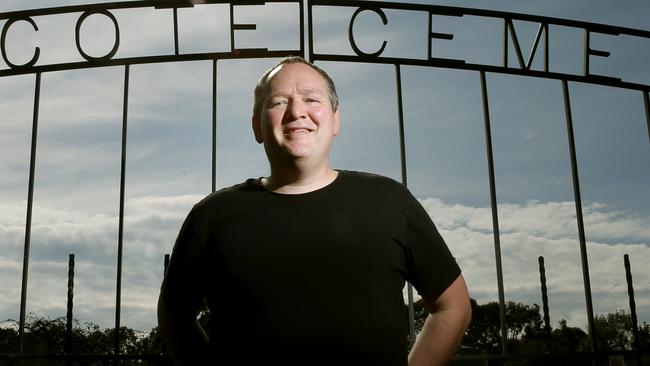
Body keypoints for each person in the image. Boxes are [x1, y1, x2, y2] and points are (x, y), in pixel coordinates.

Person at [157, 56, 471, 366]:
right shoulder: (211, 215)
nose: (297, 112)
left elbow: (452, 306)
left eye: (311, 99)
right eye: (278, 102)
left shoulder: (390, 200)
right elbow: (174, 315)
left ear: (336, 120)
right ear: (257, 126)